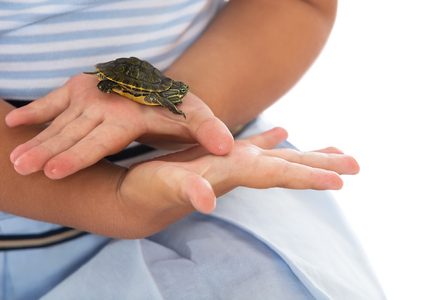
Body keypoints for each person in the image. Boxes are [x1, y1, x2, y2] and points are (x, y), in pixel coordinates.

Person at [0, 0, 385, 299]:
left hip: (222, 167)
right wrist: (114, 199)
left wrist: (190, 116)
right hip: (20, 219)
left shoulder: (177, 102)